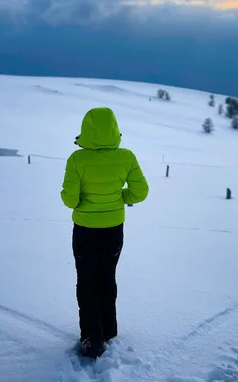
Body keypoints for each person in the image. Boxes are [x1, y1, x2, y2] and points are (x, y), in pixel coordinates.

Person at [61, 107, 149, 358]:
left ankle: (92, 337)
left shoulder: (76, 160)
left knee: (87, 281)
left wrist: (83, 201)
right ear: (113, 128)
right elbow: (140, 192)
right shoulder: (127, 157)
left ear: (86, 130)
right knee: (107, 278)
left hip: (85, 232)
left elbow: (69, 200)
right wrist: (118, 197)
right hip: (113, 231)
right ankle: (109, 330)